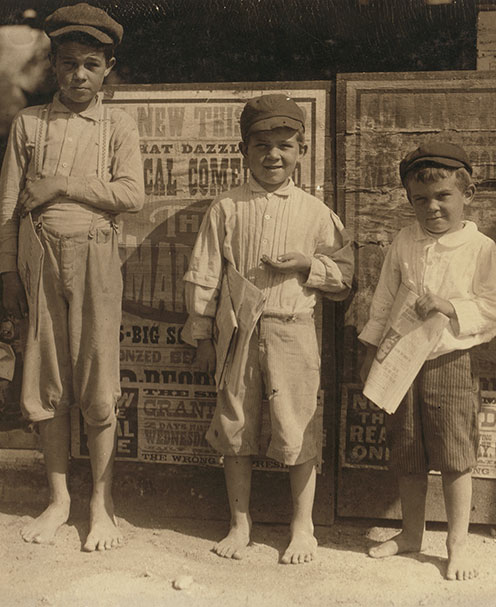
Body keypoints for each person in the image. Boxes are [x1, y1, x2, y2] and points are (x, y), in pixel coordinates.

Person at [0, 2, 144, 551]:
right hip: (39, 264)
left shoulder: (118, 125)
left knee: (98, 383)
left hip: (97, 261)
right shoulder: (29, 123)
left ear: (108, 67)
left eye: (90, 64)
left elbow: (131, 195)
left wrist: (62, 185)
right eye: (67, 63)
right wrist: (10, 273)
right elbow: (10, 207)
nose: (78, 75)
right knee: (46, 382)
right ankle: (59, 501)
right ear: (52, 66)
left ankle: (100, 507)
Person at [183, 94, 353, 564]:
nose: (273, 155)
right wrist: (200, 334)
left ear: (301, 151)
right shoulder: (227, 207)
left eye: (285, 145)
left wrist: (307, 265)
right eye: (262, 144)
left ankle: (303, 527)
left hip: (293, 330)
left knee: (296, 426)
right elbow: (204, 273)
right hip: (237, 332)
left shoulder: (315, 212)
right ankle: (240, 523)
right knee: (236, 424)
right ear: (244, 148)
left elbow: (344, 278)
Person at [358, 142, 496, 581]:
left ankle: (456, 544)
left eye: (443, 196)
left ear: (468, 194)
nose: (433, 207)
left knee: (455, 452)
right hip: (402, 361)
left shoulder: (480, 247)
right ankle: (410, 534)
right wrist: (372, 352)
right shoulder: (405, 240)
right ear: (409, 200)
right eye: (421, 199)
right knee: (407, 448)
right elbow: (385, 299)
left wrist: (450, 305)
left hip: (450, 362)